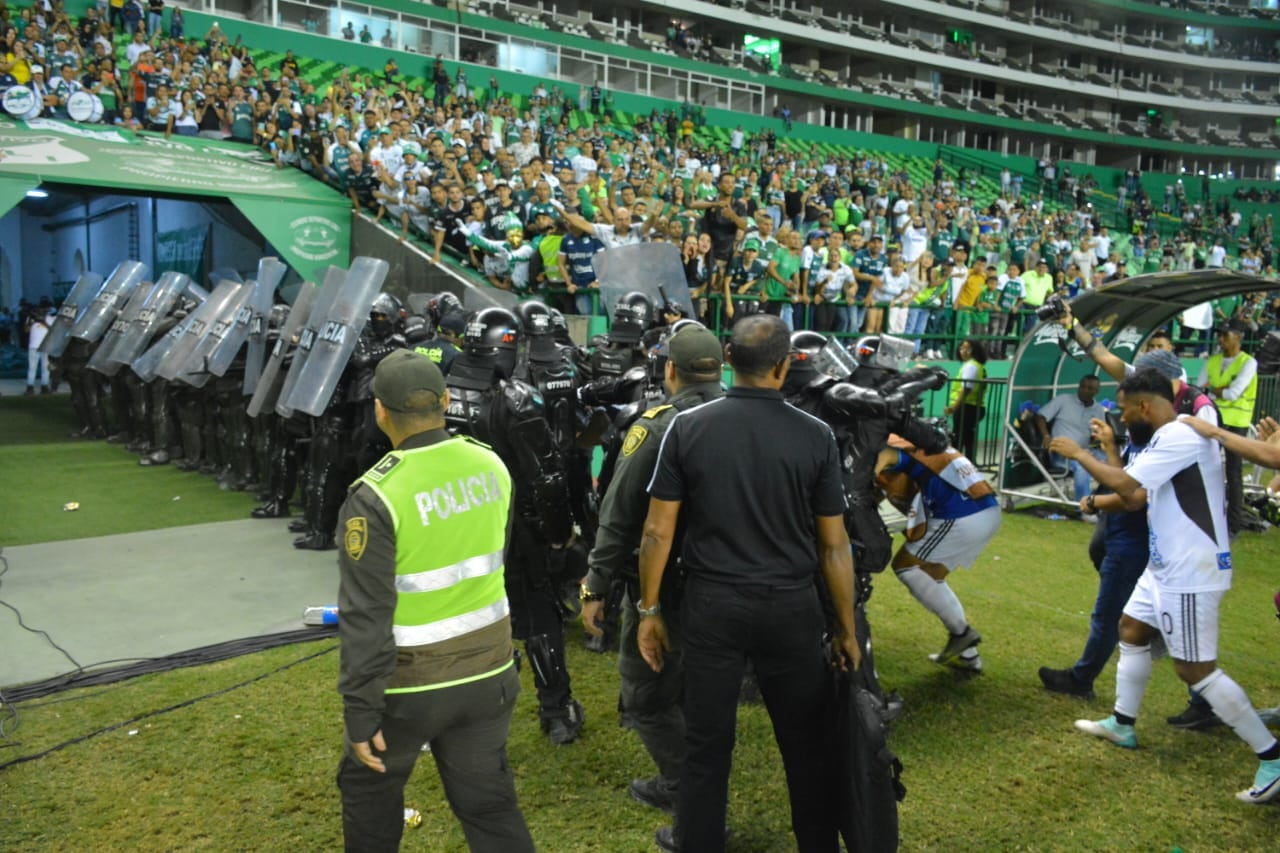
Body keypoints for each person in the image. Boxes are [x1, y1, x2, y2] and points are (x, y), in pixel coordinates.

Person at [636, 315, 861, 853]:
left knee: (707, 741)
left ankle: (699, 841)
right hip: (790, 606)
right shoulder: (816, 435)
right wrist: (848, 628)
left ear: (730, 361)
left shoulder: (686, 427)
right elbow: (834, 545)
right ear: (784, 366)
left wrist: (649, 611)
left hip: (713, 605)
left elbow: (656, 531)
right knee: (804, 741)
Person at [334, 350, 535, 852]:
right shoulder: (490, 463)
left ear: (379, 410)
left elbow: (367, 617)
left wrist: (361, 710)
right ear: (446, 401)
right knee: (488, 803)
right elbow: (497, 556)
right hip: (491, 673)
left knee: (368, 787)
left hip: (412, 687)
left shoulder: (375, 495)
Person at [1052, 369, 1280, 806]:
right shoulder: (1163, 437)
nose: (1119, 416)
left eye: (1123, 408)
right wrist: (1108, 457)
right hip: (1165, 566)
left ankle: (1271, 756)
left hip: (1190, 570)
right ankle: (1123, 723)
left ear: (1144, 406)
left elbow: (1125, 485)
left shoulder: (1178, 436)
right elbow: (1136, 498)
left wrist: (1081, 455)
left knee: (1195, 669)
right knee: (1131, 628)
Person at [581, 323, 725, 817]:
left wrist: (594, 586)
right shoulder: (746, 418)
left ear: (670, 370)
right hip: (733, 587)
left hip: (667, 584)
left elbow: (619, 515)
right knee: (698, 687)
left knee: (644, 693)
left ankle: (686, 788)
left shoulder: (659, 425)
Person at [875, 432, 1001, 673]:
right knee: (931, 575)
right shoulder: (926, 442)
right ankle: (968, 657)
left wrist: (869, 472)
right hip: (985, 510)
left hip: (962, 515)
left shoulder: (900, 449)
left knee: (905, 566)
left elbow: (890, 458)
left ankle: (962, 633)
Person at [1197, 318, 1259, 536]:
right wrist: (1219, 390)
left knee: (1233, 473)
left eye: (1226, 335)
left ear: (1239, 337)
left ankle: (1234, 524)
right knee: (1205, 468)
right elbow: (1199, 389)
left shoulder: (1248, 362)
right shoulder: (1213, 360)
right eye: (1220, 335)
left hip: (1236, 424)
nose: (1221, 339)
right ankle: (1206, 517)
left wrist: (1213, 390)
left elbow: (1234, 393)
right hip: (1214, 419)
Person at [1034, 375, 1106, 514]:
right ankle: (1083, 509)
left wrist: (1097, 440)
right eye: (1082, 386)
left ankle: (1109, 505)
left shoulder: (1098, 410)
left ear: (1096, 391)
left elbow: (1099, 433)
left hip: (1084, 450)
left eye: (1089, 388)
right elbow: (1040, 417)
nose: (1084, 390)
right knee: (1082, 466)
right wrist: (1046, 435)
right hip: (1061, 453)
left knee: (1114, 464)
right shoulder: (1064, 400)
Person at [944, 338, 987, 462]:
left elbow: (966, 389)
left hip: (967, 408)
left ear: (975, 350)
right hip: (973, 407)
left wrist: (953, 408)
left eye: (968, 348)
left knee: (958, 439)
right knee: (968, 439)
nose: (963, 351)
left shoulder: (971, 366)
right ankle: (968, 464)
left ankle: (957, 464)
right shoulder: (978, 366)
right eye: (962, 348)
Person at [25, 306, 53, 395]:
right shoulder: (30, 318)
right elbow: (26, 330)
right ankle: (30, 387)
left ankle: (44, 386)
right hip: (33, 346)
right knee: (32, 367)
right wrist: (30, 322)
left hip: (45, 346)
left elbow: (52, 330)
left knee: (45, 368)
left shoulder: (49, 318)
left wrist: (43, 321)